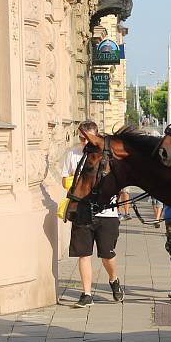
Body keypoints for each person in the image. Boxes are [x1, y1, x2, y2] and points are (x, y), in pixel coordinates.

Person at [61, 121, 124, 307]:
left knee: (107, 254)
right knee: (84, 253)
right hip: (82, 211)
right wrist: (79, 181)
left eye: (88, 138)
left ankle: (113, 279)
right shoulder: (72, 155)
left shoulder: (107, 155)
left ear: (97, 136)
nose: (84, 142)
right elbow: (65, 179)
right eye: (82, 138)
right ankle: (86, 294)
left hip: (107, 213)